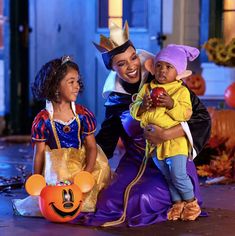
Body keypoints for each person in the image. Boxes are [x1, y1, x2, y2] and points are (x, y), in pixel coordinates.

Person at [74, 21, 211, 227]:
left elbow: (201, 119)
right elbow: (106, 143)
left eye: (133, 58)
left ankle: (186, 203)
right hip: (136, 160)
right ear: (113, 69)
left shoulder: (164, 80)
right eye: (121, 64)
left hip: (172, 156)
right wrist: (77, 162)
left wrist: (166, 134)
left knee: (141, 199)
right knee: (108, 200)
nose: (131, 66)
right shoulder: (116, 100)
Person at [12, 56, 110, 216]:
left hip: (83, 164)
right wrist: (37, 178)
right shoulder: (43, 120)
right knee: (55, 198)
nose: (77, 86)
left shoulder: (82, 115)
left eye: (77, 81)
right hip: (56, 168)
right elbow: (39, 154)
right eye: (71, 82)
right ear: (56, 86)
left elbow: (92, 147)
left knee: (92, 196)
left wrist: (87, 173)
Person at [130, 44, 201, 221]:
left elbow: (186, 114)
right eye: (159, 65)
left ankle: (192, 203)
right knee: (167, 176)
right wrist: (142, 106)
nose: (162, 70)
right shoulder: (147, 89)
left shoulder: (180, 91)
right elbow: (133, 110)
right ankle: (177, 203)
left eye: (169, 67)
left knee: (178, 174)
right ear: (153, 69)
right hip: (155, 145)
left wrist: (171, 104)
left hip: (175, 143)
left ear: (178, 72)